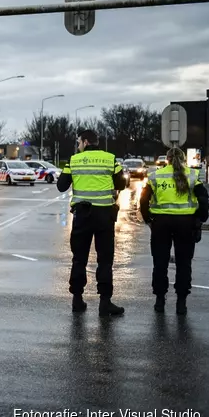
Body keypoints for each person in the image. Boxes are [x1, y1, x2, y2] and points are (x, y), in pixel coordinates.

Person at [57, 129, 128, 316]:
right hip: (104, 216)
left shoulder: (73, 160)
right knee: (105, 259)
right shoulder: (110, 159)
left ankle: (77, 299)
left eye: (79, 142)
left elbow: (61, 186)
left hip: (82, 215)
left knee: (79, 258)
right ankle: (105, 302)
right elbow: (121, 184)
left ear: (86, 141)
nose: (78, 145)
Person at [139, 147, 209, 315]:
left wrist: (148, 219)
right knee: (184, 263)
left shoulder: (156, 175)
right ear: (183, 159)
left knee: (160, 263)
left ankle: (160, 301)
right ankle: (181, 302)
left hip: (161, 223)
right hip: (185, 223)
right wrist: (199, 220)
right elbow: (203, 199)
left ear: (167, 159)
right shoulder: (192, 175)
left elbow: (143, 200)